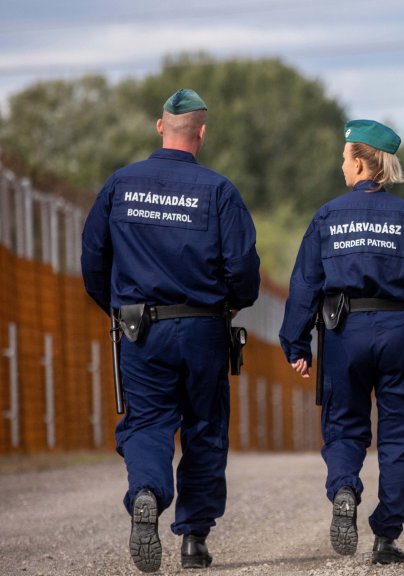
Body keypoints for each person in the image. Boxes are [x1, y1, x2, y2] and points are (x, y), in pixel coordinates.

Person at [81, 89, 261, 572]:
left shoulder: (121, 184)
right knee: (204, 428)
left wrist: (118, 309)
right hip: (204, 329)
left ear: (159, 126)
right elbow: (242, 268)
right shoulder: (220, 191)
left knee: (147, 422)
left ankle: (146, 493)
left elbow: (93, 260)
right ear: (202, 133)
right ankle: (194, 540)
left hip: (140, 328)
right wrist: (232, 302)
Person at [279, 119, 404, 565]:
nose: (342, 166)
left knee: (344, 424)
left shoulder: (327, 215)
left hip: (344, 333)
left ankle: (344, 486)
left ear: (361, 162)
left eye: (345, 158)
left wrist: (295, 344)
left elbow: (304, 285)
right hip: (398, 331)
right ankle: (386, 536)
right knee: (399, 433)